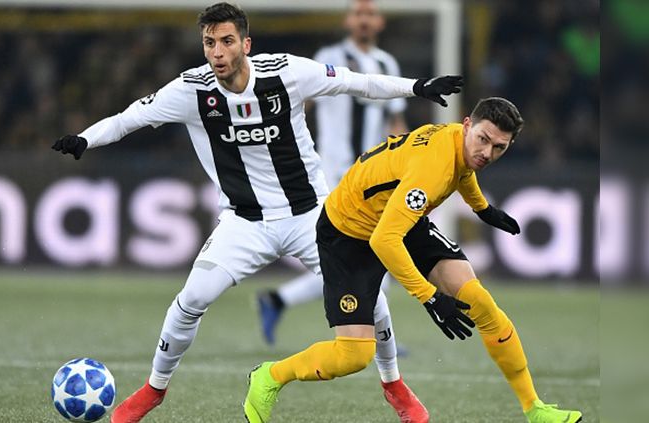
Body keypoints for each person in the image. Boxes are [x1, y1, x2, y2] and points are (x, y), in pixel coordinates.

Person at [52, 3, 462, 422]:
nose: (218, 52)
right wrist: (85, 140)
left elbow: (357, 83)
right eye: (210, 43)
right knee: (190, 299)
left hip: (314, 217)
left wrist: (418, 86)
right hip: (243, 223)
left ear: (246, 44)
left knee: (372, 299)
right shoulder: (190, 90)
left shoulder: (287, 73)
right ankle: (153, 390)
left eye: (227, 41)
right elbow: (130, 118)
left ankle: (393, 385)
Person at [243, 97, 583, 423]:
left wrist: (483, 209)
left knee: (480, 301)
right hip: (349, 231)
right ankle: (270, 376)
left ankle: (534, 408)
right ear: (468, 125)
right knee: (353, 356)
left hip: (398, 216)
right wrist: (431, 297)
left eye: (499, 148)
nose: (487, 153)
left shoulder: (455, 139)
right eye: (483, 140)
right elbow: (384, 240)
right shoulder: (432, 168)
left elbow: (463, 169)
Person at [256, 0, 411, 352]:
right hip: (333, 173)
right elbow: (298, 103)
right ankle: (376, 335)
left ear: (380, 21)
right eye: (358, 13)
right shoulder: (329, 56)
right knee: (368, 251)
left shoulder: (388, 64)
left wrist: (403, 164)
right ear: (348, 20)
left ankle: (278, 300)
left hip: (374, 175)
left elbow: (396, 121)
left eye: (370, 14)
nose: (364, 20)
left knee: (367, 252)